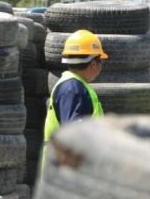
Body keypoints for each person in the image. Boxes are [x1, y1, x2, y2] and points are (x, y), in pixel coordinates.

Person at [43, 29, 107, 172]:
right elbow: (72, 136)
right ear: (93, 64)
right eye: (101, 60)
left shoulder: (73, 86)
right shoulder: (72, 89)